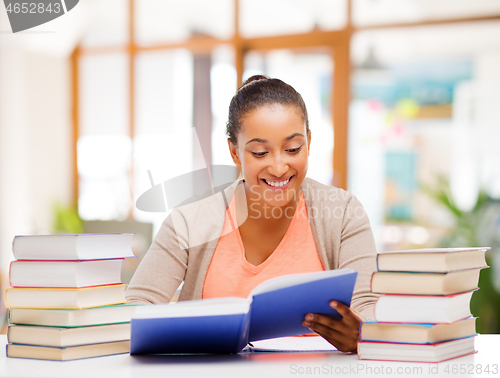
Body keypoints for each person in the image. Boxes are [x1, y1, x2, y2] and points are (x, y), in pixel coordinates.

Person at [126, 75, 378, 352]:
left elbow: (367, 306)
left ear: (308, 141)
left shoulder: (342, 212)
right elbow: (139, 304)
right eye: (260, 153)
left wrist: (362, 332)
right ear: (234, 153)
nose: (279, 167)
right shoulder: (189, 221)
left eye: (293, 149)